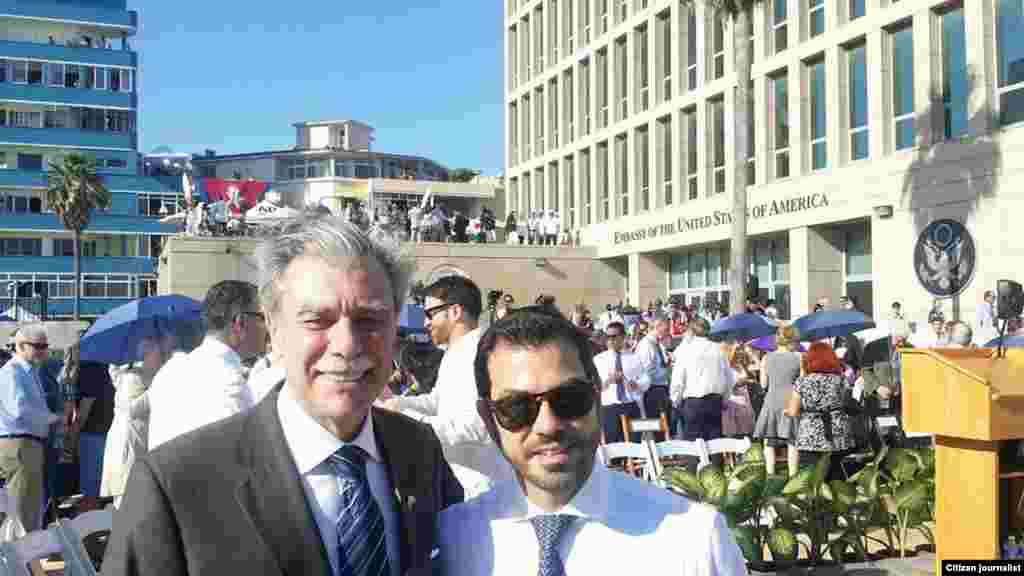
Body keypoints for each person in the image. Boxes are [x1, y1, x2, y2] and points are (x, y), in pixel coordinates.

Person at [104, 216, 464, 576]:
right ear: (273, 329)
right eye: (317, 321)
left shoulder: (419, 451)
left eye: (369, 320)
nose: (347, 345)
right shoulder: (173, 485)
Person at [437, 306, 747, 575]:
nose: (547, 425)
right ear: (489, 419)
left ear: (597, 399)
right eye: (517, 407)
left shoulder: (694, 539)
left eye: (570, 398)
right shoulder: (453, 540)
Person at [380, 276, 513, 495]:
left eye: (430, 314)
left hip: (481, 486)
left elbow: (479, 427)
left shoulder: (481, 354)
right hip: (459, 480)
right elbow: (438, 400)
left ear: (455, 312)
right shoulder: (456, 351)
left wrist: (407, 419)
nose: (425, 323)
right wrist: (396, 404)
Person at [147, 280, 266, 451]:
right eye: (263, 317)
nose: (268, 326)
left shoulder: (170, 371)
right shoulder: (231, 385)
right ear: (240, 323)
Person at [100, 334, 174, 505]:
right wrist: (159, 387)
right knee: (127, 500)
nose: (167, 357)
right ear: (150, 354)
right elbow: (132, 409)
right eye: (164, 353)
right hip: (128, 445)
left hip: (138, 443)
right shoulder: (133, 377)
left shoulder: (146, 375)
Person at [0, 324, 59, 533]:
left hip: (27, 442)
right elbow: (19, 410)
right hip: (19, 442)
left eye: (45, 346)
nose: (43, 351)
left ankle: (24, 559)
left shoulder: (28, 371)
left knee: (30, 506)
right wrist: (52, 418)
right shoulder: (12, 372)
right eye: (38, 346)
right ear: (20, 346)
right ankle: (20, 560)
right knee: (22, 507)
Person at [785, 342, 855, 482]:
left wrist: (787, 411)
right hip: (837, 434)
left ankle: (815, 502)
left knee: (811, 477)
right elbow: (847, 403)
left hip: (810, 436)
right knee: (836, 474)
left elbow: (792, 411)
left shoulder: (802, 382)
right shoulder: (841, 380)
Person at [670, 318, 734, 445]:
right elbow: (728, 378)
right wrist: (725, 399)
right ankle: (715, 464)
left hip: (693, 402)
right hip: (714, 400)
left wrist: (675, 400)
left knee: (693, 444)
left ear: (691, 332)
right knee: (714, 442)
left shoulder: (686, 350)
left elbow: (678, 380)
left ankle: (694, 465)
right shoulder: (718, 350)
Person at [753, 325, 801, 477]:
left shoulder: (767, 358)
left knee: (770, 440)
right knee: (792, 440)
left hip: (772, 400)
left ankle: (770, 475)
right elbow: (802, 382)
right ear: (792, 339)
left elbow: (763, 384)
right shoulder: (799, 357)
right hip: (791, 399)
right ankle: (793, 475)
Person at [592, 322, 643, 443]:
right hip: (610, 407)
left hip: (631, 405)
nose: (610, 340)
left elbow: (645, 378)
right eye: (607, 336)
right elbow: (594, 386)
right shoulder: (599, 360)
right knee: (613, 447)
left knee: (634, 444)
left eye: (614, 336)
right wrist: (609, 381)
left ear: (623, 336)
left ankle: (632, 460)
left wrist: (637, 384)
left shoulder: (634, 357)